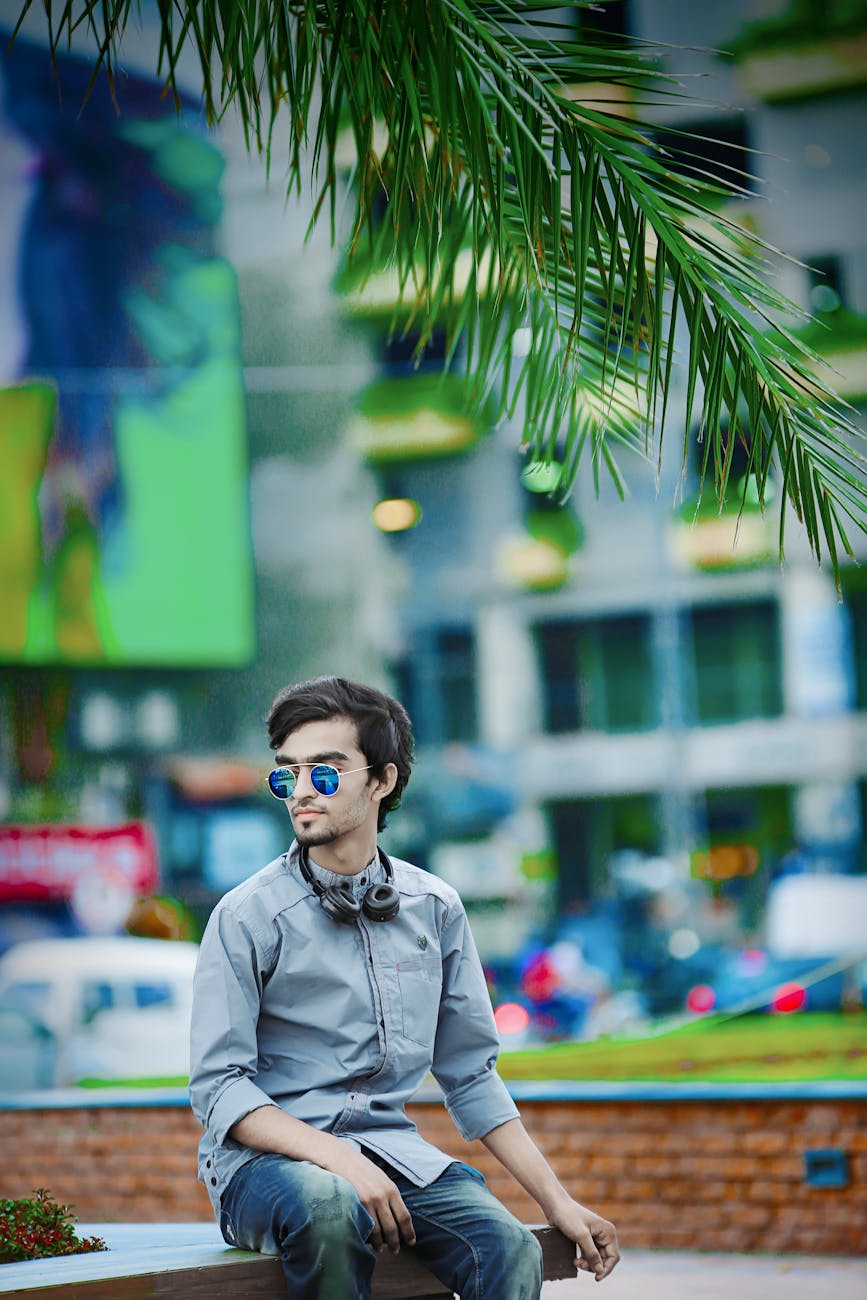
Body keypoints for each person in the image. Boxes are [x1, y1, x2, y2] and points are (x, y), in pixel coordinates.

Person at [189, 676, 620, 1299]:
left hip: (393, 1157)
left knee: (509, 1249)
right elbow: (219, 1087)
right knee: (330, 1204)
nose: (302, 792)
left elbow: (471, 1073)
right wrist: (338, 1159)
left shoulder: (435, 908)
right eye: (287, 774)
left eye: (326, 773)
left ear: (381, 781)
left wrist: (558, 1202)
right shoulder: (246, 915)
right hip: (264, 1172)